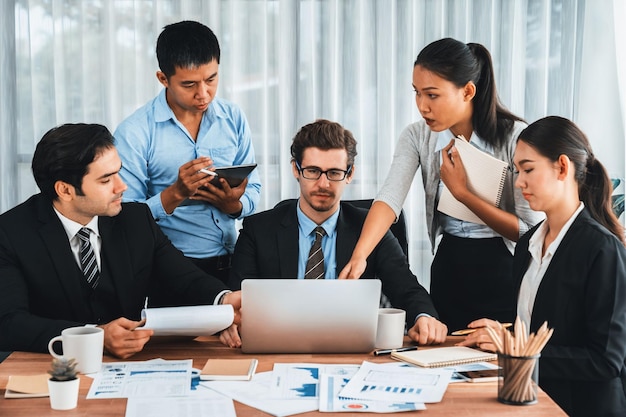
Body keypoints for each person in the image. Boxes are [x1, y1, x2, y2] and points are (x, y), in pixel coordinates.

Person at [338, 38, 544, 332]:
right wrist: (360, 255)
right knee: (444, 358)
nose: (422, 106)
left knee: (496, 366)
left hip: (503, 267)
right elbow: (389, 198)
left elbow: (530, 232)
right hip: (450, 265)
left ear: (468, 91)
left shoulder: (515, 137)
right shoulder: (417, 136)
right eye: (417, 93)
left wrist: (462, 193)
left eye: (432, 95)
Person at [0, 123, 242, 359]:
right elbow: (9, 323)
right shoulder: (10, 233)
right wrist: (95, 336)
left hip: (130, 366)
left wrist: (224, 299)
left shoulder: (135, 219)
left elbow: (185, 279)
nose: (121, 186)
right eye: (106, 180)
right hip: (51, 368)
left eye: (118, 172)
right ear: (65, 190)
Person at [226, 119, 448, 348]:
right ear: (296, 169)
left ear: (350, 174)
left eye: (334, 173)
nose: (323, 184)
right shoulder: (257, 230)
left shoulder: (371, 229)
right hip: (277, 349)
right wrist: (230, 320)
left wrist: (425, 317)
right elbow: (237, 298)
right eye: (312, 171)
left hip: (352, 353)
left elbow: (407, 289)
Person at [458, 116, 626, 417]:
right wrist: (503, 334)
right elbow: (538, 328)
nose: (519, 181)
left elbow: (605, 360)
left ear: (562, 167)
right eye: (517, 170)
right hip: (531, 401)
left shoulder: (602, 250)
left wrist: (515, 350)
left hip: (579, 407)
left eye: (528, 169)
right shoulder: (527, 245)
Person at [114, 20, 261, 285]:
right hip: (168, 270)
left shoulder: (233, 117)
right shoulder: (134, 131)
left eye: (211, 79)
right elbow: (124, 217)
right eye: (189, 84)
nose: (203, 94)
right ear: (163, 79)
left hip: (232, 261)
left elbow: (254, 188)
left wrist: (234, 205)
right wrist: (175, 194)